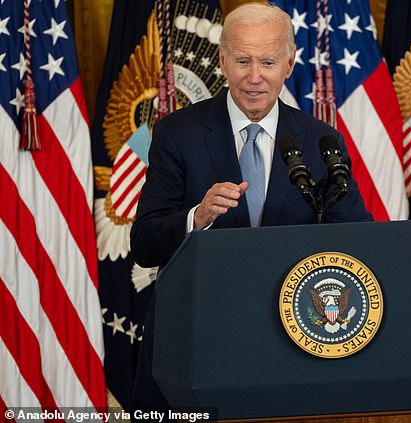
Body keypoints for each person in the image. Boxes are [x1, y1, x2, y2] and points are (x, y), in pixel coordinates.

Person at [129, 2, 372, 409]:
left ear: (290, 64)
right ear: (222, 61)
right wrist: (197, 217)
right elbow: (145, 244)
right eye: (242, 60)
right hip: (200, 340)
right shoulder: (177, 134)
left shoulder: (320, 141)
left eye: (268, 62)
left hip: (295, 345)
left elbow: (357, 242)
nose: (255, 77)